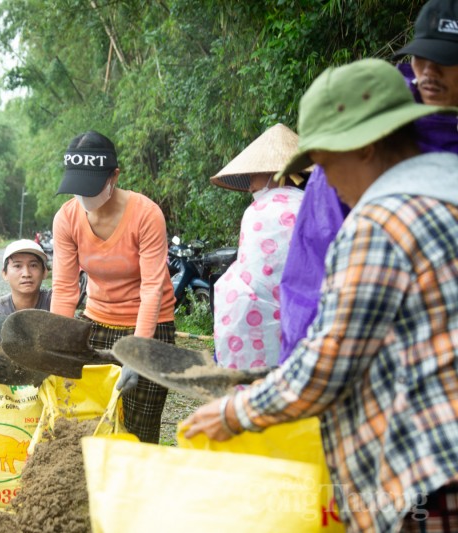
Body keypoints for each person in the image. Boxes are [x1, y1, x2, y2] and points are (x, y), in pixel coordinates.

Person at [182, 58, 458, 532]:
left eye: (327, 165)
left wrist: (234, 411)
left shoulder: (378, 225)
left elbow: (329, 362)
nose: (325, 185)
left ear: (368, 146)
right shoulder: (444, 197)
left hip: (427, 472)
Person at [278, 0, 458, 366]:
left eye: (446, 58)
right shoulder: (358, 141)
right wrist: (297, 361)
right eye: (421, 57)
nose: (428, 71)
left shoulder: (375, 204)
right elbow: (312, 278)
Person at [50, 131, 176, 444]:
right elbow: (65, 289)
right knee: (90, 418)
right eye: (78, 189)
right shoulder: (66, 218)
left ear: (114, 177)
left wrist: (137, 352)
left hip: (150, 325)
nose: (84, 198)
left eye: (91, 188)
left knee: (139, 428)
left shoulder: (146, 215)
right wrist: (57, 347)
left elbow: (152, 289)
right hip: (96, 322)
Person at [208, 124, 305, 369]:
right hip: (307, 327)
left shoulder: (259, 211)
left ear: (275, 172)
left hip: (263, 331)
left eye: (255, 174)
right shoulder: (310, 204)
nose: (251, 184)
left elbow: (253, 280)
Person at [0, 239, 52, 315]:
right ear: (5, 274)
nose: (26, 274)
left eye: (33, 265)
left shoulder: (56, 301)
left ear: (44, 272)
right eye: (17, 266)